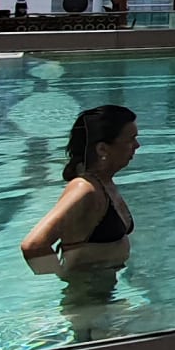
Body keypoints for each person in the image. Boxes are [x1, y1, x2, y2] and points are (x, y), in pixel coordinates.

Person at [20, 105, 139, 274]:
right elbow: (33, 245)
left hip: (105, 285)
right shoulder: (85, 189)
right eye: (130, 139)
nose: (137, 145)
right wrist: (64, 277)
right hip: (88, 289)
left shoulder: (104, 182)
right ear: (102, 149)